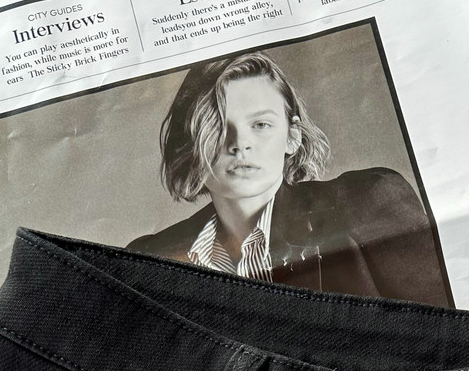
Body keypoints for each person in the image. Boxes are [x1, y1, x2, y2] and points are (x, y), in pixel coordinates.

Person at [127, 50, 452, 305]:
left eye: (261, 124)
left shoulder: (366, 203)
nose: (240, 144)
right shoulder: (151, 258)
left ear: (292, 136)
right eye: (217, 128)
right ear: (189, 145)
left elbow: (446, 330)